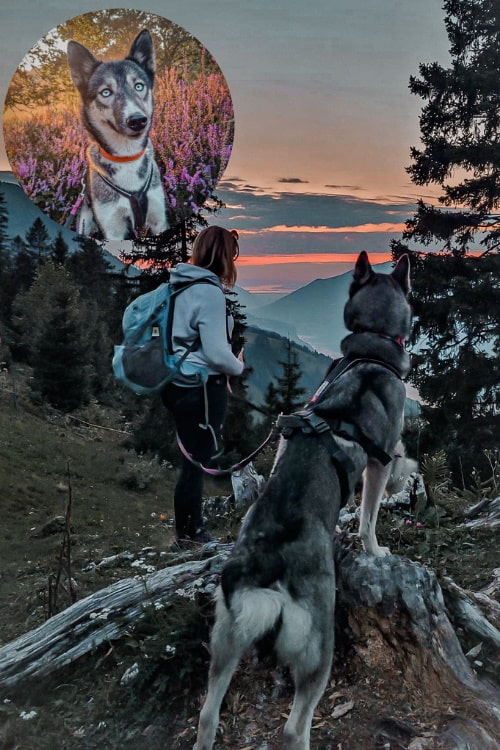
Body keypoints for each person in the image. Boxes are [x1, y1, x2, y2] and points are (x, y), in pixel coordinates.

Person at [161, 226, 245, 547]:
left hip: (178, 383)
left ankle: (188, 530)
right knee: (197, 461)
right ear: (224, 257)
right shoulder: (208, 292)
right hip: (200, 387)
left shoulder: (181, 286)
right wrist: (237, 365)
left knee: (192, 459)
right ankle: (191, 534)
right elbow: (215, 353)